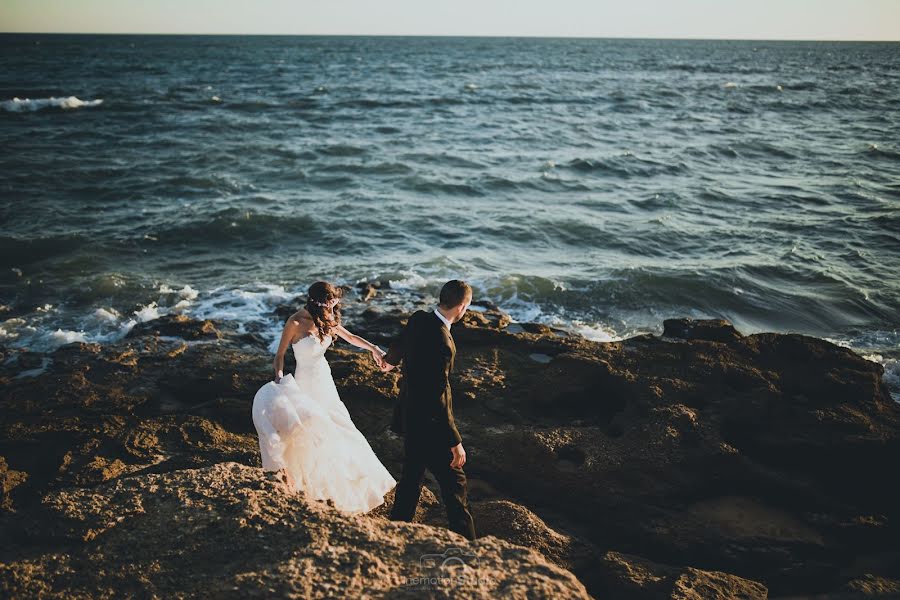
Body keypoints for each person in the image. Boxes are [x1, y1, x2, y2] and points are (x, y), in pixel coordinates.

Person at [251, 281, 396, 513]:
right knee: (310, 431)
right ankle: (309, 483)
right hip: (305, 382)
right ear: (320, 302)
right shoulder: (295, 322)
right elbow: (279, 356)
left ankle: (344, 482)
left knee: (340, 427)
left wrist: (374, 349)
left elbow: (349, 336)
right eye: (332, 303)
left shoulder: (327, 318)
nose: (335, 307)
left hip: (324, 380)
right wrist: (279, 380)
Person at [381, 279, 477, 540]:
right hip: (431, 424)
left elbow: (401, 341)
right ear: (462, 307)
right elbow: (438, 395)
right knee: (455, 486)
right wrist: (454, 440)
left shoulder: (419, 318)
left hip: (410, 415)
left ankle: (395, 532)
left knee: (411, 479)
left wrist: (390, 362)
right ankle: (469, 545)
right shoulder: (443, 343)